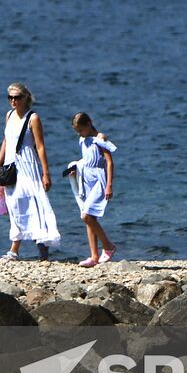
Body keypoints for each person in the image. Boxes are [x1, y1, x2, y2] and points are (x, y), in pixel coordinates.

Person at [0, 82, 60, 261]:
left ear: (25, 98)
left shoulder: (33, 118)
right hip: (11, 165)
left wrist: (46, 173)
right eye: (10, 97)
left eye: (17, 97)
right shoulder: (9, 115)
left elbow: (41, 147)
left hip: (29, 165)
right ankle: (15, 248)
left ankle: (42, 245)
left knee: (36, 202)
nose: (13, 101)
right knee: (14, 205)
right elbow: (6, 141)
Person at [65, 112, 117, 267]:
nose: (79, 133)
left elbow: (109, 162)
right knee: (90, 219)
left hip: (99, 180)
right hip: (86, 179)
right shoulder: (83, 140)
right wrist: (77, 168)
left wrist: (109, 184)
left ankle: (108, 246)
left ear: (89, 124)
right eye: (76, 131)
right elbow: (87, 159)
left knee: (86, 215)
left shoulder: (100, 139)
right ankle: (94, 256)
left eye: (80, 130)